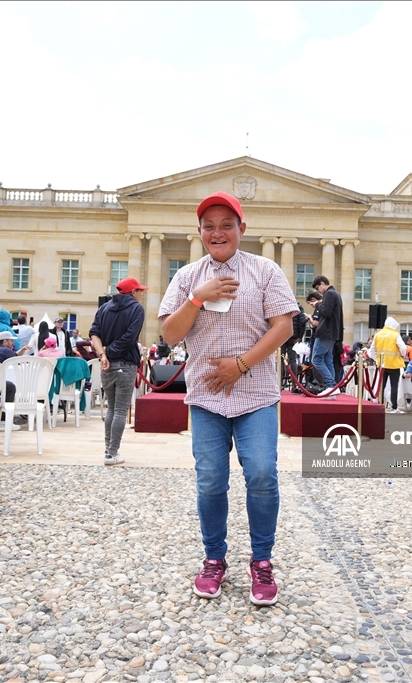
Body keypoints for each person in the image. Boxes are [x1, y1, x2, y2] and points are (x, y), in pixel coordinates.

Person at [159, 191, 297, 607]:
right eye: (209, 226)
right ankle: (214, 559)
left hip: (254, 394)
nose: (217, 232)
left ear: (242, 228)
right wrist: (198, 296)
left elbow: (284, 326)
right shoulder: (187, 277)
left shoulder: (264, 271)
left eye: (226, 224)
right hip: (205, 398)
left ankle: (262, 561)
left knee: (260, 474)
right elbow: (169, 334)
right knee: (210, 480)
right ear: (200, 232)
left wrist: (240, 364)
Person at [89, 276, 148, 466]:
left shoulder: (104, 308)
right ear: (133, 292)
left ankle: (108, 450)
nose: (142, 294)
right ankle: (112, 453)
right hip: (125, 363)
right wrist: (110, 353)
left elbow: (94, 333)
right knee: (120, 410)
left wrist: (103, 355)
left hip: (106, 364)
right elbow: (130, 338)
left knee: (111, 409)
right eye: (140, 291)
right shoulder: (136, 309)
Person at [310, 275, 343, 391]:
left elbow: (327, 312)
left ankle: (331, 385)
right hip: (333, 333)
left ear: (322, 284)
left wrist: (317, 305)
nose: (318, 291)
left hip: (325, 332)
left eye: (317, 288)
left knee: (316, 359)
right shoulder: (336, 294)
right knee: (328, 360)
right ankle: (332, 387)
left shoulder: (329, 294)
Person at [369, 317, 407, 413]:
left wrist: (376, 359)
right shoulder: (395, 334)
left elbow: (372, 350)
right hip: (394, 364)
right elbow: (403, 348)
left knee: (381, 386)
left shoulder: (378, 334)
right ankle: (394, 407)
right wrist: (402, 355)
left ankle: (379, 405)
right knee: (394, 386)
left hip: (381, 364)